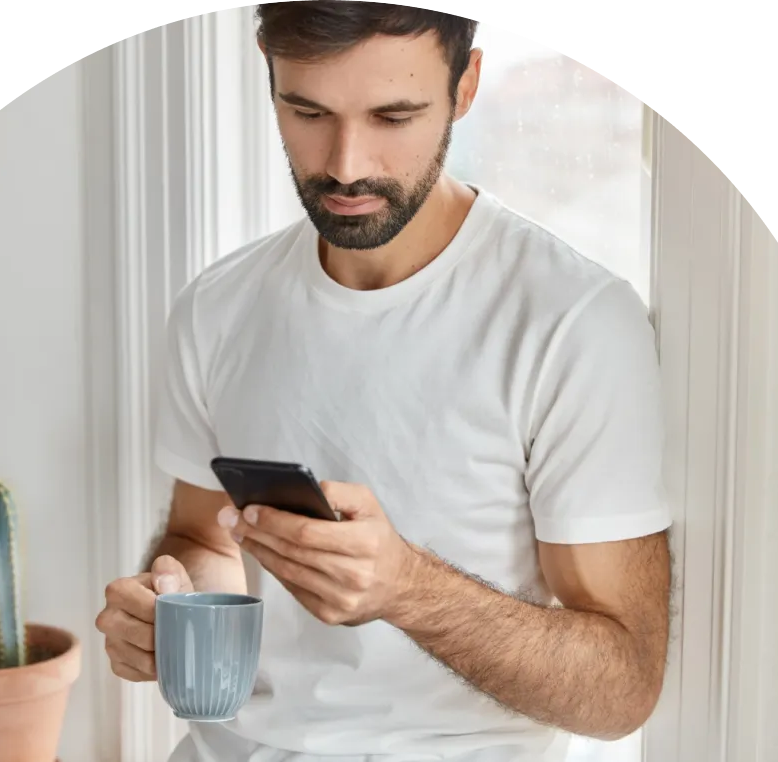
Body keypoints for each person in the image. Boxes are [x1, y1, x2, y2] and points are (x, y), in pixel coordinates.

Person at [95, 1, 673, 760]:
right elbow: (203, 535)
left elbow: (620, 689)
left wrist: (409, 589)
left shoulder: (574, 321)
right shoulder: (218, 305)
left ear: (464, 87)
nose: (346, 164)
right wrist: (172, 605)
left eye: (393, 117)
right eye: (307, 111)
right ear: (267, 67)